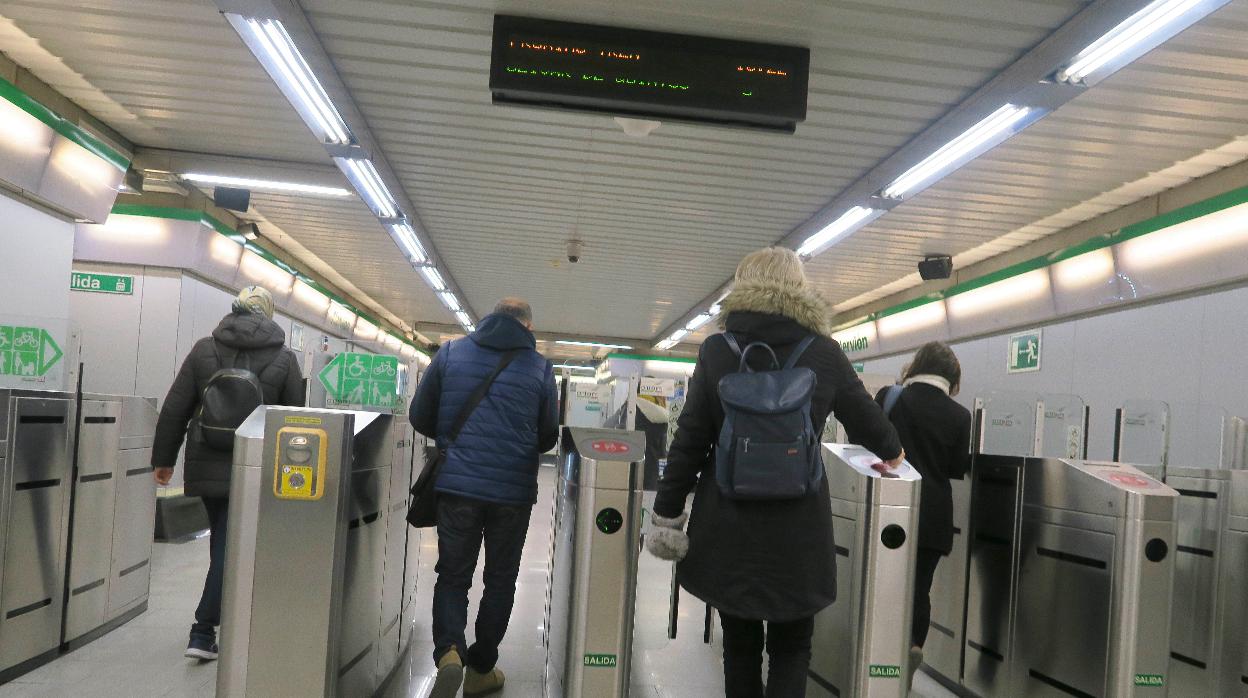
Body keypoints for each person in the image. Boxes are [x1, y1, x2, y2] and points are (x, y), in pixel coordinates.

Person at [646, 248, 904, 698]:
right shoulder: (823, 352)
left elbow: (690, 439)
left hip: (729, 524)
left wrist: (668, 514)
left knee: (741, 646)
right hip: (798, 529)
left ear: (743, 289)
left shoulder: (716, 350)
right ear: (799, 289)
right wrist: (894, 453)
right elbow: (870, 422)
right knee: (793, 647)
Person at [409, 297, 559, 698]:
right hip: (512, 493)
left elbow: (419, 415)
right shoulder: (541, 368)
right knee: (500, 579)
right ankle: (481, 668)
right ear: (528, 327)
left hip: (457, 485)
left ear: (488, 318)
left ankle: (449, 653)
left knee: (453, 575)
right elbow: (548, 437)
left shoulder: (451, 353)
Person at [151, 286, 305, 661]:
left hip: (206, 458)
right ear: (268, 315)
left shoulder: (204, 349)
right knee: (228, 544)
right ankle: (203, 630)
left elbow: (176, 407)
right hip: (254, 464)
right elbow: (294, 419)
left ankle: (225, 621)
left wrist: (164, 459)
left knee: (223, 539)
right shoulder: (285, 358)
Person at [875, 342, 972, 688]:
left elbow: (867, 441)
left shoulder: (891, 397)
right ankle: (913, 643)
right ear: (952, 378)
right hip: (933, 514)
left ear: (917, 365)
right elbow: (957, 468)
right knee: (919, 588)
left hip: (890, 505)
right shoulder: (961, 416)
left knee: (883, 582)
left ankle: (879, 655)